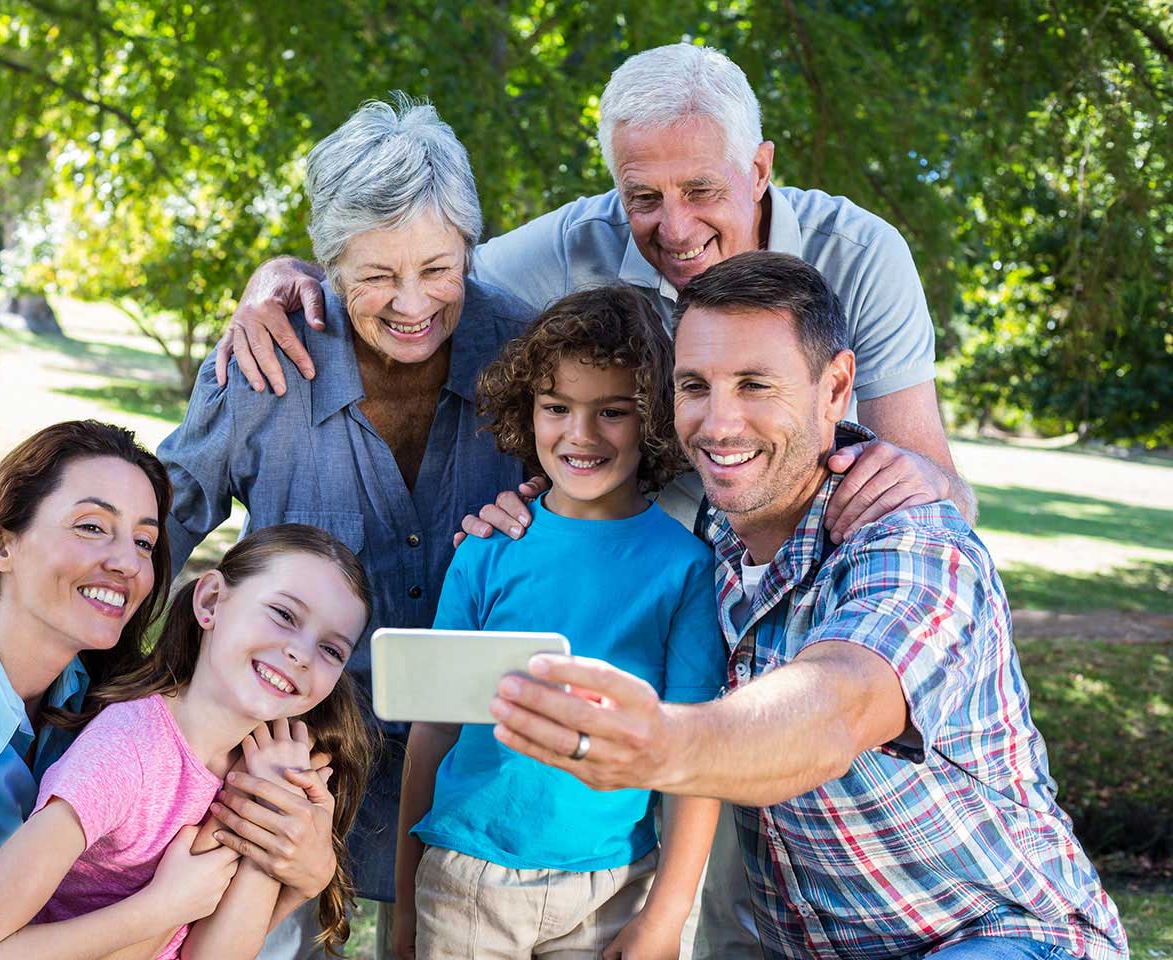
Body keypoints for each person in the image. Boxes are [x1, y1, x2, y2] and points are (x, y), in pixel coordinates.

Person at [489, 252, 1128, 960]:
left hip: (1000, 935)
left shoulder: (911, 542)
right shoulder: (709, 535)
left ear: (836, 389)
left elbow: (838, 705)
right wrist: (525, 519)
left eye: (756, 384)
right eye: (694, 386)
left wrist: (665, 745)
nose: (719, 423)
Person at [214, 42, 974, 543]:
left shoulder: (862, 255)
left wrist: (925, 484)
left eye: (702, 189)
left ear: (761, 170)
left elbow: (940, 495)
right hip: (636, 569)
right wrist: (291, 277)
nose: (674, 229)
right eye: (642, 196)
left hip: (805, 564)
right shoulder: (575, 245)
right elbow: (421, 274)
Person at [156, 96, 537, 956]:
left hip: (477, 767)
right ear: (327, 262)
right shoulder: (263, 362)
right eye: (375, 276)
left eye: (439, 270)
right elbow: (167, 520)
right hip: (286, 753)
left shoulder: (526, 352)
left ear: (470, 249)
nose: (412, 305)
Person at [0, 421, 338, 958]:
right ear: (1, 545)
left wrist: (303, 875)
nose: (127, 562)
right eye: (91, 527)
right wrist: (167, 906)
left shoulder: (117, 699)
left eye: (144, 541)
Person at [393, 287, 724, 960]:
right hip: (467, 878)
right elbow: (432, 730)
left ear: (655, 418)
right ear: (530, 411)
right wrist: (404, 909)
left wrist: (664, 918)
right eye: (557, 408)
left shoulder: (687, 569)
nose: (580, 435)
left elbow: (696, 758)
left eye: (613, 412)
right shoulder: (487, 551)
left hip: (612, 888)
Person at [0, 524, 374, 960]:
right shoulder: (126, 754)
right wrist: (162, 908)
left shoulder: (269, 763)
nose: (301, 653)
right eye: (284, 615)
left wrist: (273, 815)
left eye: (332, 650)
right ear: (211, 602)